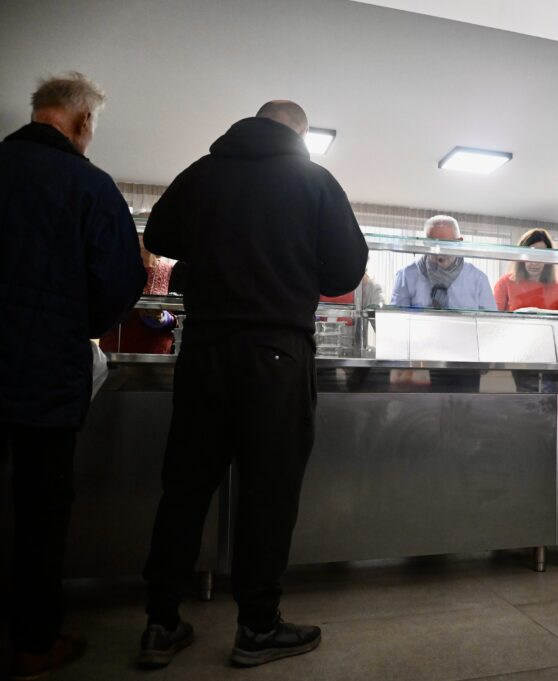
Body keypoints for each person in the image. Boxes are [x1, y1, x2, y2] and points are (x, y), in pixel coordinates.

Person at [139, 100, 368, 668]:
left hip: (206, 349)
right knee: (269, 491)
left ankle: (160, 623)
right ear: (300, 134)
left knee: (186, 487)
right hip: (276, 353)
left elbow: (160, 234)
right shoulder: (315, 181)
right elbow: (346, 270)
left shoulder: (203, 172)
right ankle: (258, 627)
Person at [0, 71, 146, 680]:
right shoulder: (89, 184)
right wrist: (75, 323)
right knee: (40, 511)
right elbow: (121, 280)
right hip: (45, 374)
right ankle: (34, 644)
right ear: (83, 121)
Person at [390, 215, 497, 310]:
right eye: (434, 244)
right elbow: (396, 320)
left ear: (459, 242)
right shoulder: (405, 276)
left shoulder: (478, 279)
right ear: (425, 244)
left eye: (447, 244)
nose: (441, 251)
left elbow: (491, 322)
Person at [100, 235, 177, 354]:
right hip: (116, 352)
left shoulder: (172, 270)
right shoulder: (113, 267)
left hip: (158, 355)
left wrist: (165, 319)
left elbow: (183, 318)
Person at [493, 228, 558, 311]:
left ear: (548, 259)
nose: (534, 263)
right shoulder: (505, 283)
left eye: (540, 256)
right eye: (530, 256)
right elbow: (494, 316)